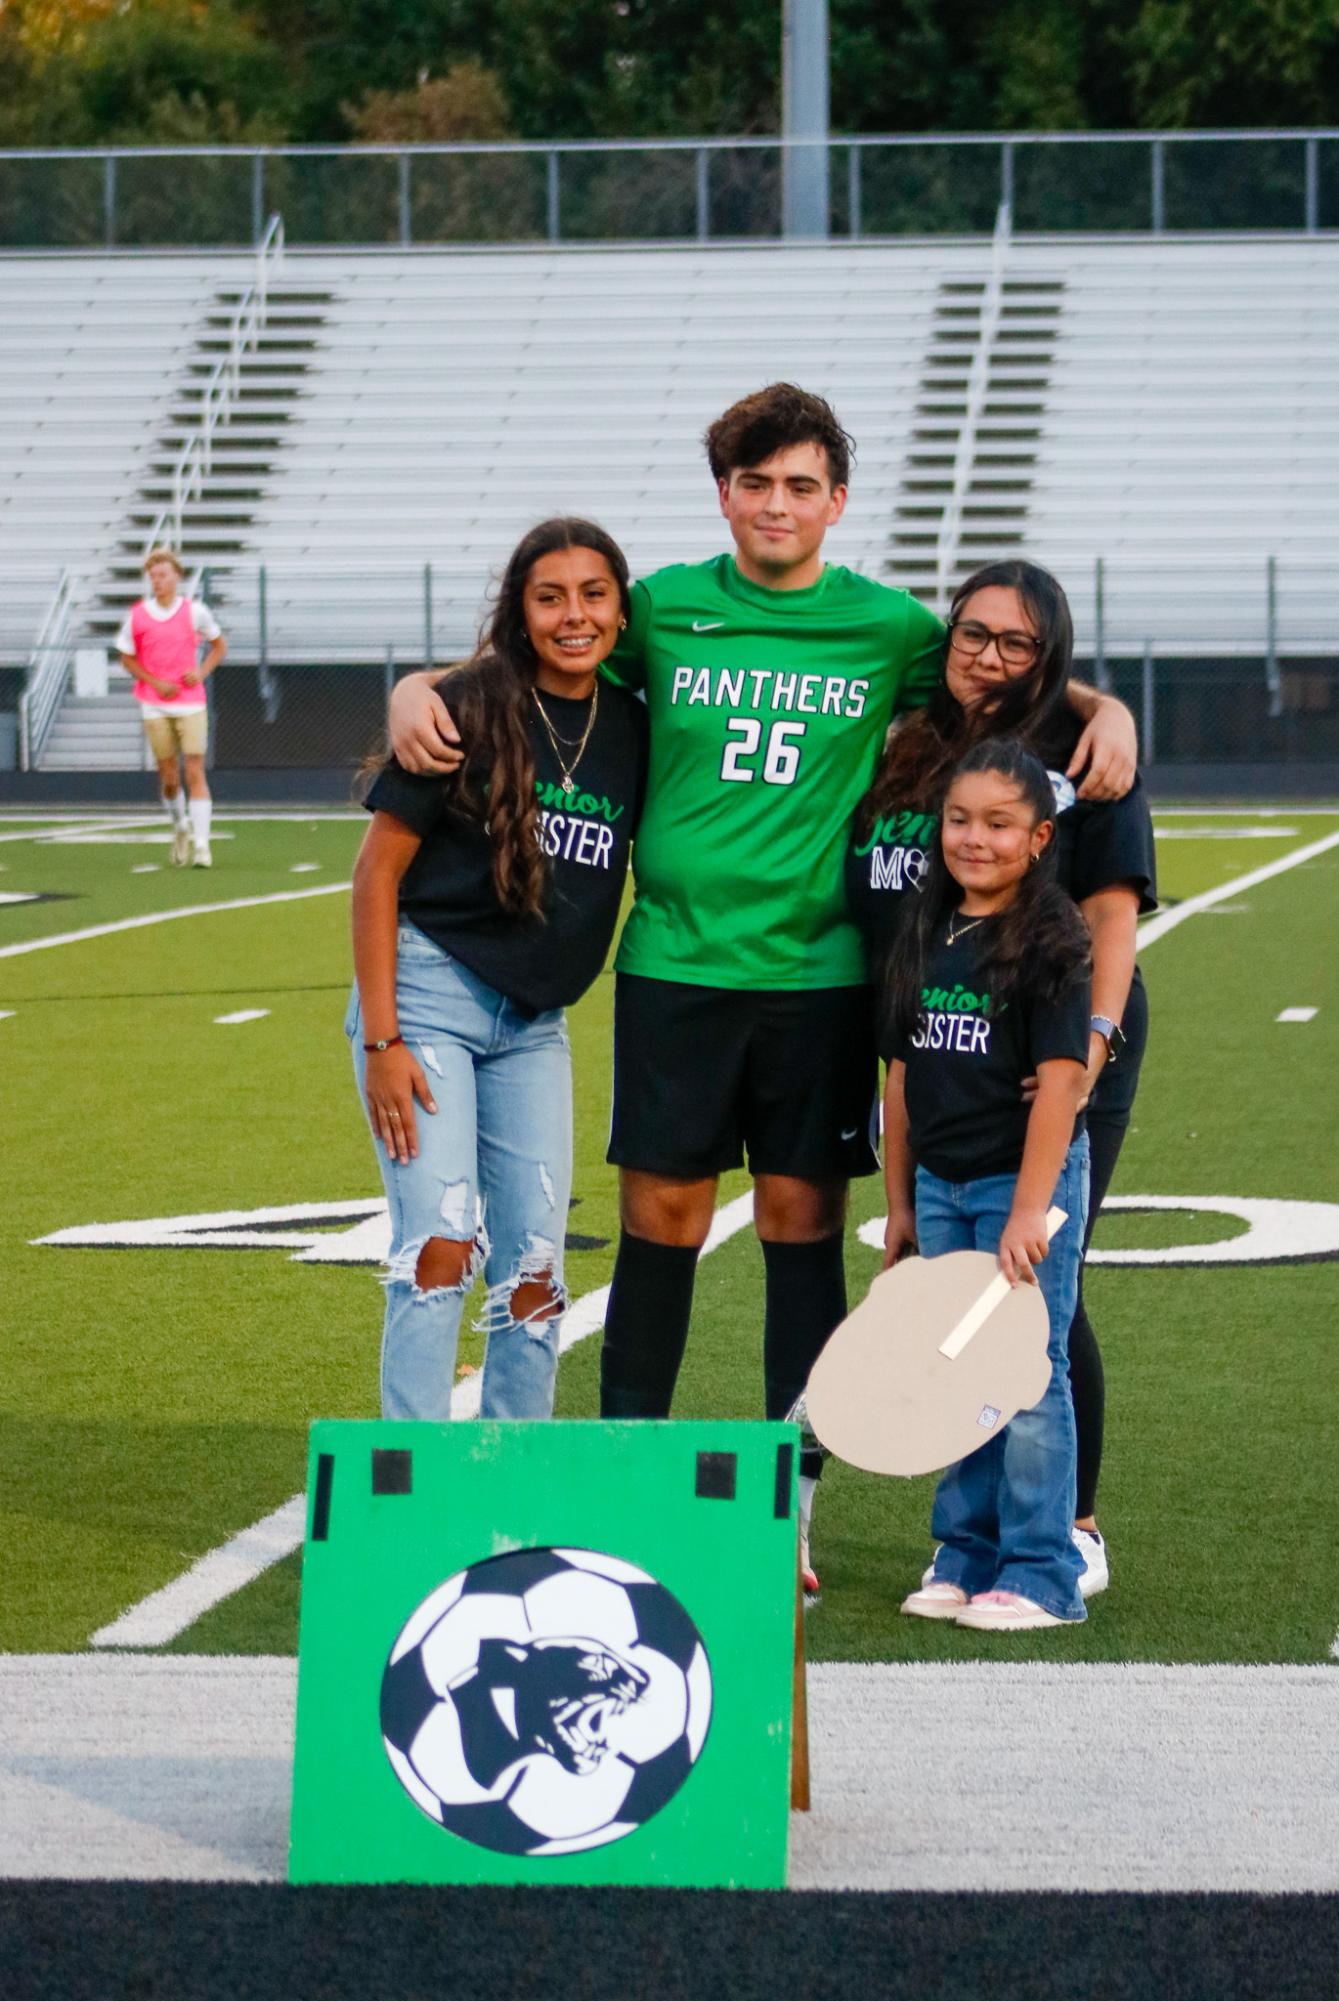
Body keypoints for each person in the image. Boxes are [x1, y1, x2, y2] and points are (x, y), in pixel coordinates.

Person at [386, 385, 1137, 1591]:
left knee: (800, 1234)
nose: (775, 504)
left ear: (837, 501)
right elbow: (536, 643)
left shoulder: (886, 625)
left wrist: (1112, 709)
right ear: (723, 494)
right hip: (676, 964)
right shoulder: (664, 608)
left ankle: (783, 1507)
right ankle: (632, 1486)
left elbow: (1003, 681)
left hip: (819, 980)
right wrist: (415, 688)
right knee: (660, 1229)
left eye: (800, 485)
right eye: (753, 482)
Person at [848, 559, 1155, 1596]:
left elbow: (1111, 915)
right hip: (937, 1021)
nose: (987, 656)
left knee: (1034, 1298)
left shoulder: (1083, 750)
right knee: (963, 1300)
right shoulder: (915, 732)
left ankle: (1067, 1527)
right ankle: (971, 1541)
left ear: (1050, 655)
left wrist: (1094, 1046)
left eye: (1016, 642)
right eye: (971, 634)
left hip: (1059, 1039)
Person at [348, 518, 647, 1422]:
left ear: (621, 612)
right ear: (520, 610)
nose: (573, 616)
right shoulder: (466, 704)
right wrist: (383, 1039)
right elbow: (376, 873)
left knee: (537, 1267)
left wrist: (1104, 705)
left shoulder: (634, 722)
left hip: (533, 1025)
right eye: (548, 596)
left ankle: (513, 1473)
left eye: (593, 595)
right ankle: (416, 1476)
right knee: (438, 1245)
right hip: (427, 999)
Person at [883, 738, 1092, 1630]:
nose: (974, 839)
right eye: (959, 819)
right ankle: (963, 1554)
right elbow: (898, 1074)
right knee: (955, 1368)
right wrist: (899, 1203)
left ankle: (1042, 1570)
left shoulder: (1050, 937)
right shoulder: (925, 926)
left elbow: (1059, 1083)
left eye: (999, 824)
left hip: (1020, 1186)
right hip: (941, 1181)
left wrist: (1024, 1210)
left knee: (1029, 1371)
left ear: (1038, 837)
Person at [116, 547, 226, 867]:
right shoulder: (138, 615)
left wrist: (200, 672)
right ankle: (180, 826)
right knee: (168, 775)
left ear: (176, 576)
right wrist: (153, 681)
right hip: (154, 704)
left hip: (190, 703)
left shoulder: (195, 612)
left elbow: (219, 646)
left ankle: (202, 844)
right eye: (153, 576)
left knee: (194, 768)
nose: (158, 581)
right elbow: (126, 657)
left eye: (163, 575)